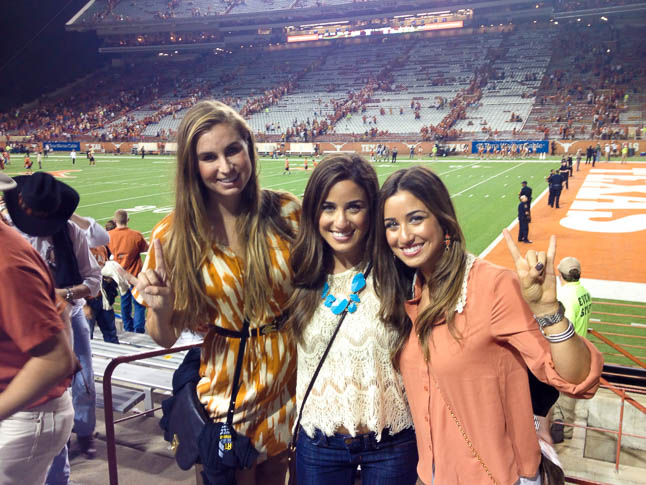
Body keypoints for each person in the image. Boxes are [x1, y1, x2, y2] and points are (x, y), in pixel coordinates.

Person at [374, 166, 603, 485]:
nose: (404, 235)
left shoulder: (492, 287)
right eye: (391, 225)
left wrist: (549, 311)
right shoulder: (408, 295)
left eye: (416, 218)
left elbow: (577, 378)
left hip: (496, 475)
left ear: (443, 220)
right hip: (432, 475)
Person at [128, 100, 300, 484]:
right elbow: (165, 335)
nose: (225, 167)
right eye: (209, 157)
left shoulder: (288, 213)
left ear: (249, 148)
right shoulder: (171, 236)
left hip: (288, 383)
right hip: (226, 390)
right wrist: (162, 306)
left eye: (233, 150)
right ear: (193, 166)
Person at [287, 155, 417, 484]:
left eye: (354, 207)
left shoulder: (399, 272)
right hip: (318, 442)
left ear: (372, 210)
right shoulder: (300, 273)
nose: (340, 221)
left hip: (393, 442)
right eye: (328, 207)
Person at [3, 172, 102, 483]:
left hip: (66, 315)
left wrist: (67, 295)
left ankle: (84, 433)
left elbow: (94, 281)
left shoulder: (70, 233)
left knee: (81, 378)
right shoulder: (10, 230)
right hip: (25, 319)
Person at [550, 256, 593, 442]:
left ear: (561, 275)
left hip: (568, 351)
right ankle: (564, 428)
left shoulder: (565, 297)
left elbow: (565, 329)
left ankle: (562, 429)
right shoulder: (584, 292)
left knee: (562, 391)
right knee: (570, 393)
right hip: (582, 349)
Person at [108, 209, 148, 333]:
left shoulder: (109, 236)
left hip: (120, 277)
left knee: (125, 304)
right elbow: (145, 248)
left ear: (115, 220)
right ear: (128, 220)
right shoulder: (136, 235)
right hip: (135, 276)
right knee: (139, 305)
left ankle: (127, 328)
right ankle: (139, 330)